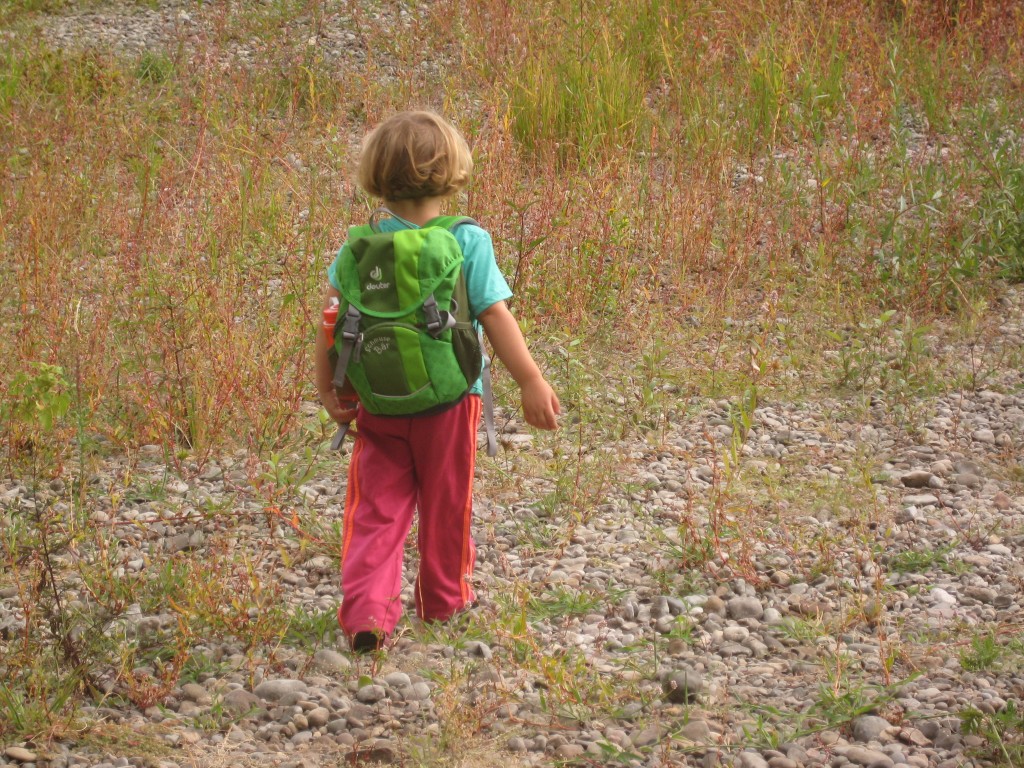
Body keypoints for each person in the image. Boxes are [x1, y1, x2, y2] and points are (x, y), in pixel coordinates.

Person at [314, 110, 560, 653]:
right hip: (451, 402)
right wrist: (531, 380)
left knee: (375, 508)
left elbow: (332, 316)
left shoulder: (360, 246)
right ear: (452, 170)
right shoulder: (467, 240)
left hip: (378, 400)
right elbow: (494, 315)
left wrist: (330, 388)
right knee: (448, 502)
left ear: (377, 173)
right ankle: (444, 600)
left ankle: (366, 615)